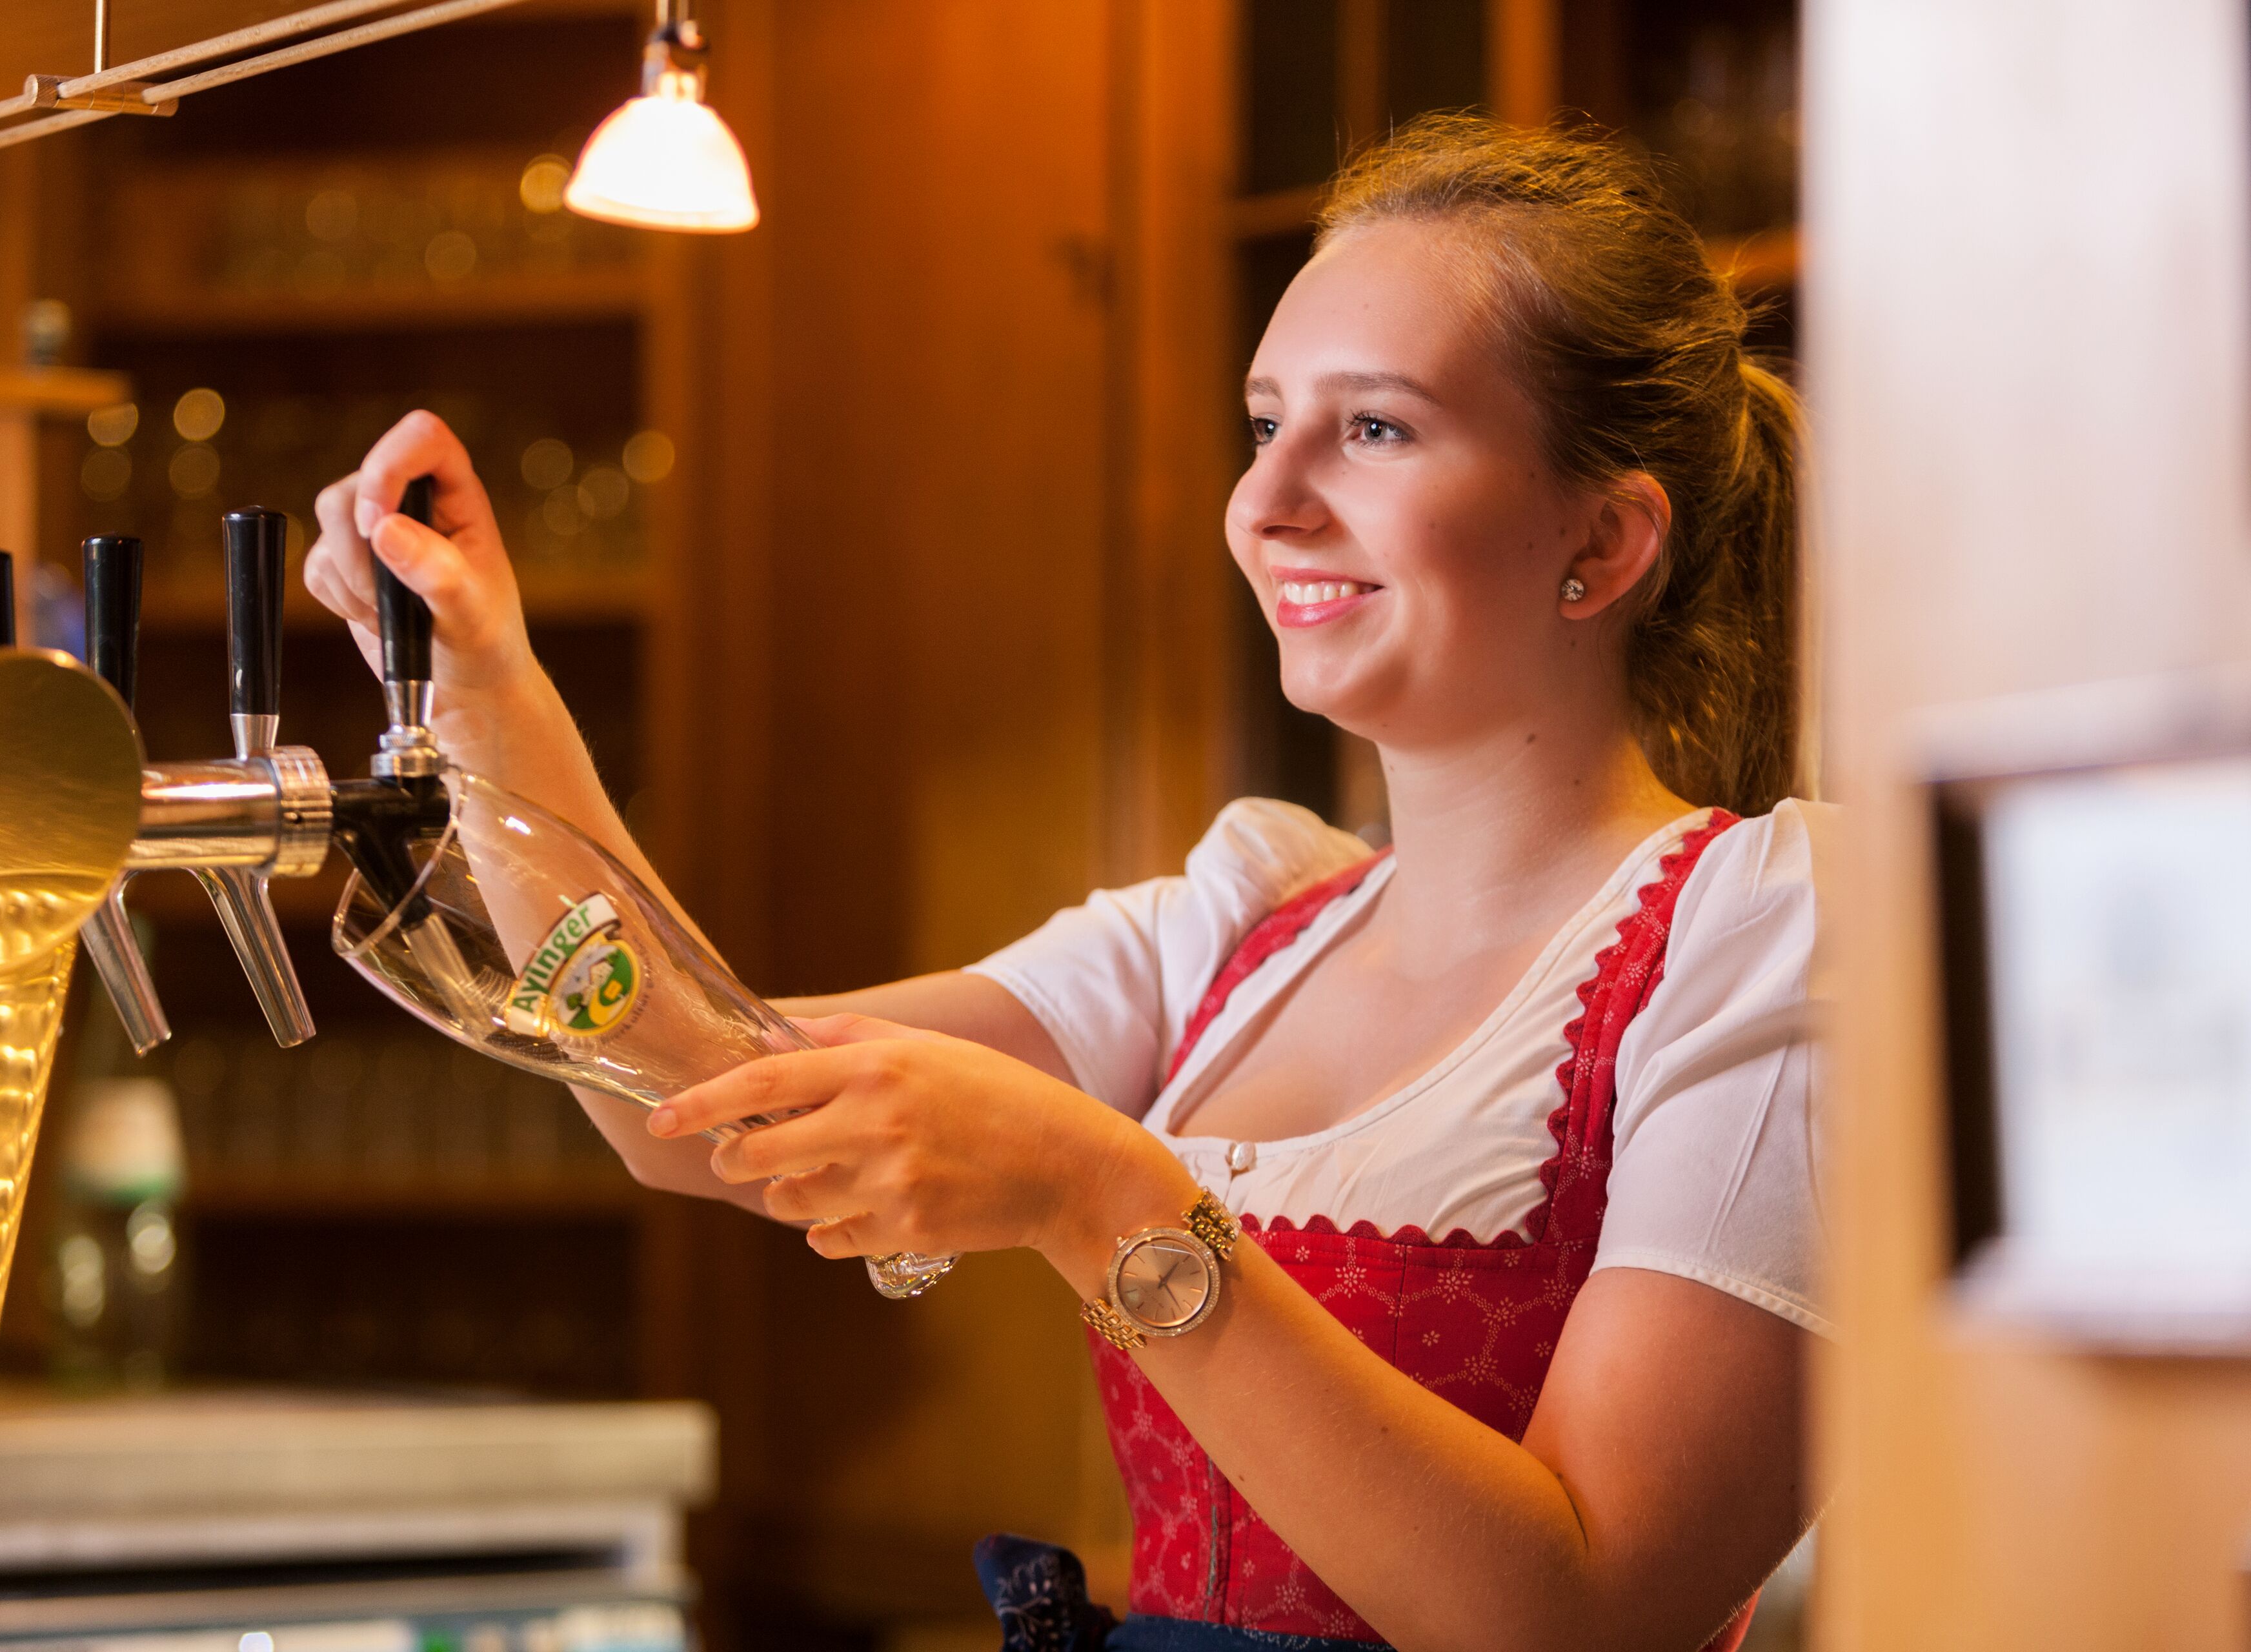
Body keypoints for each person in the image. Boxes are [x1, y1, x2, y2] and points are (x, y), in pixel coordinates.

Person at [305, 113, 1826, 1652]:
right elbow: (687, 1091)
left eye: (1375, 429)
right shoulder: (1239, 929)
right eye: (1264, 423)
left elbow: (1581, 1609)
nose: (1269, 501)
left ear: (1605, 537)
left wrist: (1101, 1193)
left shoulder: (1756, 935)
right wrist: (485, 687)